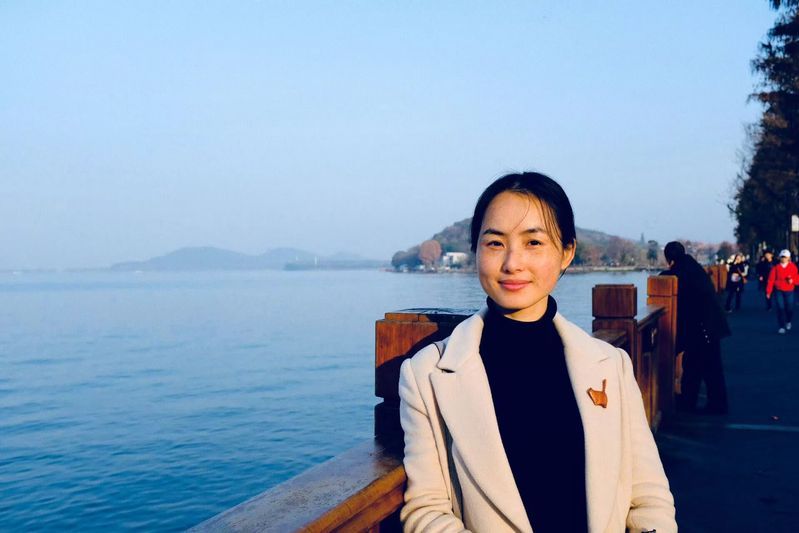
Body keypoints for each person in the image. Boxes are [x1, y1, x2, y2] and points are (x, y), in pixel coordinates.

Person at [398, 173, 676, 533]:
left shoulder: (611, 365)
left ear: (566, 253)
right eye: (495, 243)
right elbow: (427, 511)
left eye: (533, 242)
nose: (512, 263)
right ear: (476, 250)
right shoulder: (428, 374)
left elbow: (648, 496)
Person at [661, 242, 731, 415]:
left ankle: (698, 403)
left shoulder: (679, 272)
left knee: (700, 366)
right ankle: (703, 402)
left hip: (702, 327)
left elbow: (670, 279)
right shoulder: (692, 266)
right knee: (703, 366)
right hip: (710, 323)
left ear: (669, 259)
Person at [766, 249, 798, 334]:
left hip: (789, 290)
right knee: (780, 308)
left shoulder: (793, 267)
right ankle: (781, 326)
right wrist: (768, 291)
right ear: (779, 258)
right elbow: (771, 280)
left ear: (789, 258)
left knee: (789, 308)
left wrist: (793, 280)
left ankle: (788, 321)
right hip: (779, 290)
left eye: (785, 257)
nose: (783, 259)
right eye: (782, 257)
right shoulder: (776, 268)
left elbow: (797, 278)